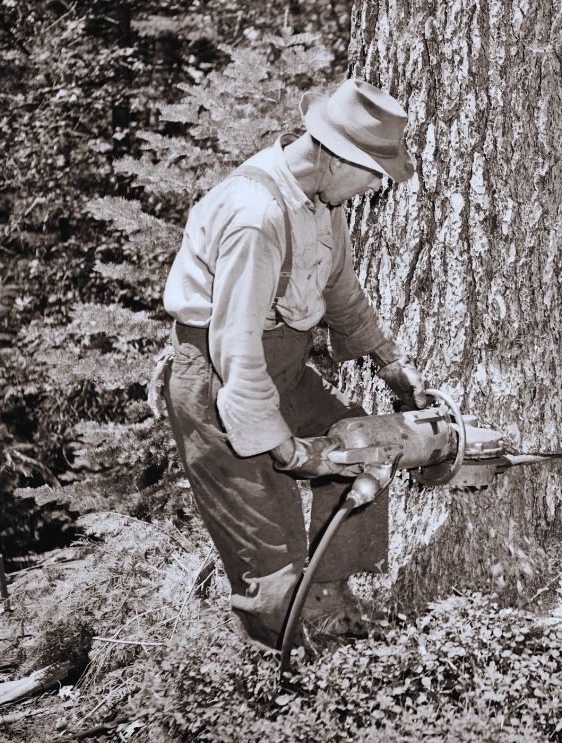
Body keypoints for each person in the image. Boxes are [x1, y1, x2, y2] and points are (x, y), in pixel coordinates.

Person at [157, 79, 428, 649]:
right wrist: (279, 445)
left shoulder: (322, 201)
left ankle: (328, 595)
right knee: (271, 550)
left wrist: (388, 363)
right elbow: (235, 350)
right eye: (372, 173)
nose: (375, 187)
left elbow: (341, 291)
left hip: (280, 368)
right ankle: (289, 673)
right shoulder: (256, 216)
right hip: (218, 380)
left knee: (360, 444)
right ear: (335, 157)